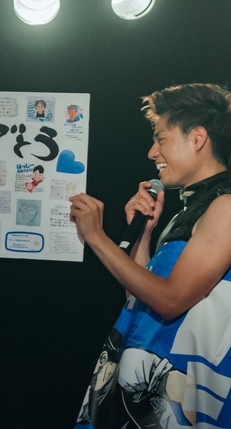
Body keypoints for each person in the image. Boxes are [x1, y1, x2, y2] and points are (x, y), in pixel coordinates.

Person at [69, 83, 231, 428]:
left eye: (161, 139)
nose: (152, 152)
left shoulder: (226, 206)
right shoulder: (187, 211)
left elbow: (170, 300)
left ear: (197, 138)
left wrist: (96, 237)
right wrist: (143, 236)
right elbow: (141, 299)